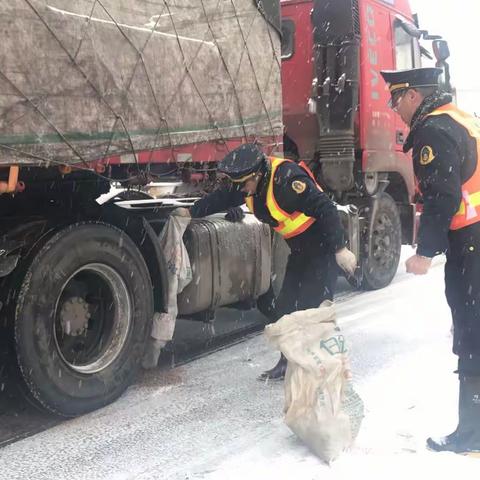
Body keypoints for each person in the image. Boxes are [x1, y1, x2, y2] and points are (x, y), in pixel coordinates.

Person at [187, 143, 357, 380]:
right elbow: (223, 197)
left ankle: (328, 366)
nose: (242, 191)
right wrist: (191, 212)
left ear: (258, 174)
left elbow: (326, 208)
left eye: (245, 184)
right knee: (284, 309)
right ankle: (287, 362)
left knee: (312, 311)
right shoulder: (248, 185)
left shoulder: (287, 181)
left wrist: (340, 249)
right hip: (299, 250)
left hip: (323, 249)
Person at [381, 67, 480, 455]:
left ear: (412, 96)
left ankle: (472, 434)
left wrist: (424, 252)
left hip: (469, 241)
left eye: (395, 99)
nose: (393, 109)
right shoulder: (460, 116)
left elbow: (443, 196)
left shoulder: (432, 131)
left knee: (471, 331)